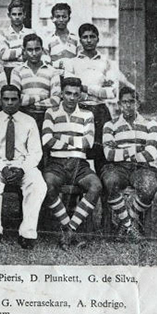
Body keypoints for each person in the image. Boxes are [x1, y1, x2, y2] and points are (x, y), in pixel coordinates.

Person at [0, 85, 47, 250]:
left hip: (23, 164)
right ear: (0, 100)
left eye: (14, 99)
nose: (10, 103)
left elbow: (35, 152)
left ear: (20, 100)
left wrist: (22, 168)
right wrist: (3, 167)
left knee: (38, 185)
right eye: (6, 99)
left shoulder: (29, 121)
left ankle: (27, 233)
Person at [41, 77, 102, 250]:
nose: (71, 97)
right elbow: (46, 139)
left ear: (80, 95)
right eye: (68, 93)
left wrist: (60, 137)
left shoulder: (87, 115)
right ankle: (70, 230)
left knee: (96, 186)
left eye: (76, 94)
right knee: (47, 185)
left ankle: (69, 230)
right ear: (61, 94)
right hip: (57, 163)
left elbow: (88, 142)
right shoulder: (51, 113)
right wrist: (75, 140)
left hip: (79, 164)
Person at [101, 87, 157, 242]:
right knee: (109, 181)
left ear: (138, 103)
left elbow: (151, 153)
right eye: (124, 102)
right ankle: (130, 225)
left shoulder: (150, 124)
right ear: (119, 104)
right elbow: (109, 154)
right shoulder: (110, 125)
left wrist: (123, 152)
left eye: (131, 102)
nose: (127, 105)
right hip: (117, 168)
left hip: (141, 168)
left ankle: (124, 225)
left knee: (149, 185)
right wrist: (135, 149)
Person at [64, 23, 118, 174]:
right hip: (79, 110)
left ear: (97, 39)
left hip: (100, 111)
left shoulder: (106, 62)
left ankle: (105, 191)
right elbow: (71, 90)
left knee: (102, 153)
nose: (88, 40)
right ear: (80, 40)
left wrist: (86, 88)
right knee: (78, 149)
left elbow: (112, 92)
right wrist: (98, 90)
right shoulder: (72, 62)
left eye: (92, 37)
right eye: (85, 37)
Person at [10, 33, 61, 134]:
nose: (34, 53)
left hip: (46, 117)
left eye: (37, 49)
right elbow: (16, 98)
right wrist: (42, 97)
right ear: (24, 51)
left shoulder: (52, 71)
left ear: (42, 50)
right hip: (24, 117)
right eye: (30, 50)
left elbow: (56, 100)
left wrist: (33, 105)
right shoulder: (17, 71)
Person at [0, 0, 33, 83]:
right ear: (9, 15)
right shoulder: (3, 33)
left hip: (26, 70)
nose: (17, 17)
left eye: (19, 14)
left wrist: (12, 53)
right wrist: (22, 51)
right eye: (14, 14)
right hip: (9, 71)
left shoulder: (30, 32)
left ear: (24, 15)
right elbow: (3, 55)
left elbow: (33, 55)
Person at [42, 2, 79, 70]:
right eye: (58, 17)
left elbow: (80, 60)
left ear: (69, 18)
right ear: (52, 18)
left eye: (64, 17)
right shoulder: (47, 40)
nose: (61, 20)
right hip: (55, 75)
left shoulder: (76, 39)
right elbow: (46, 62)